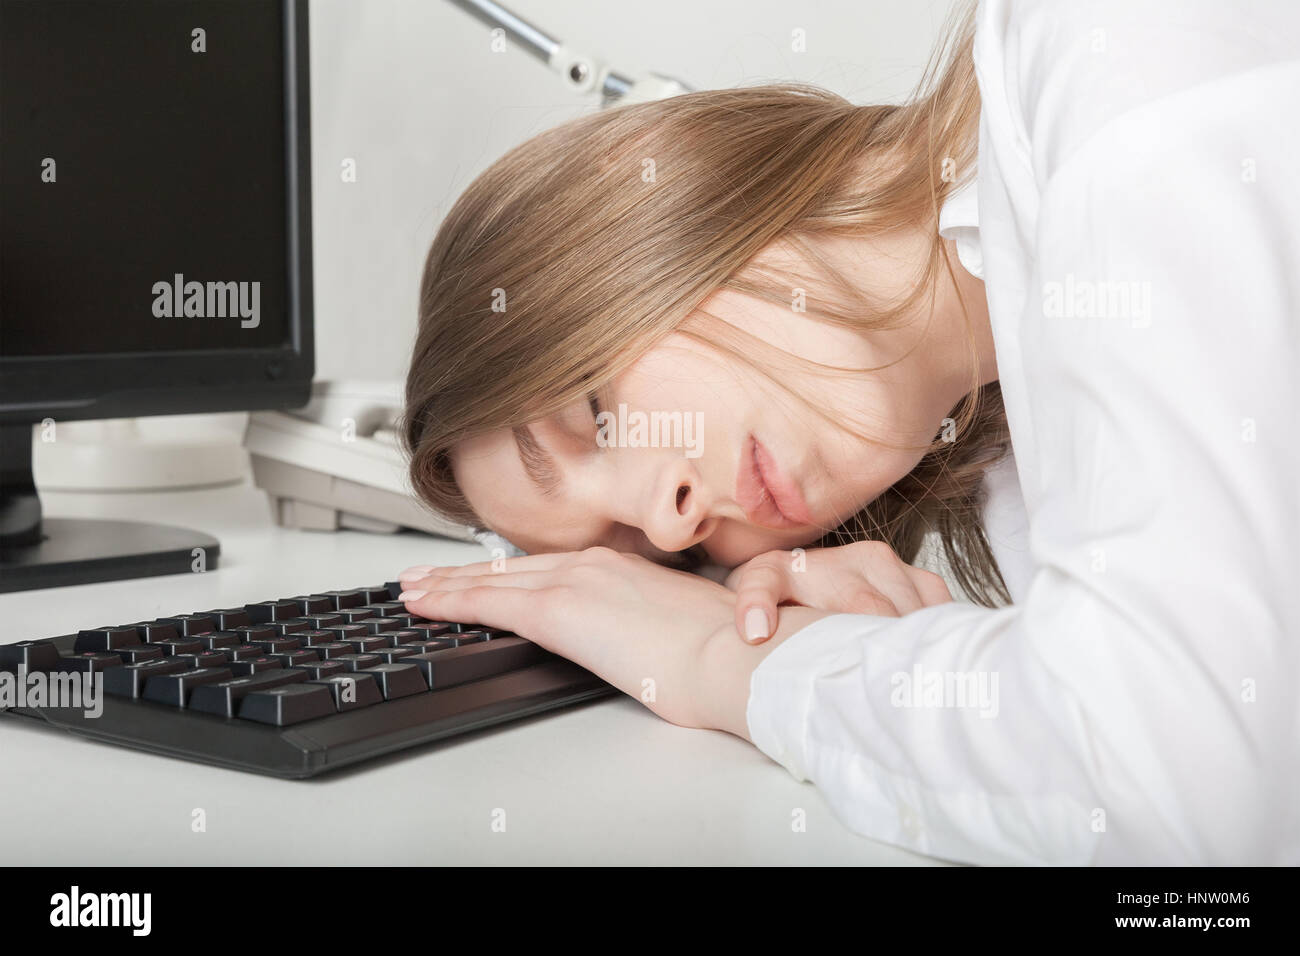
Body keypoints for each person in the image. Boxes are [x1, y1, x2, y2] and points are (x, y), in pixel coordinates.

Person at [396, 0, 1299, 864]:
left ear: (636, 188)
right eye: (656, 561)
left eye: (593, 414)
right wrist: (909, 649)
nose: (674, 526)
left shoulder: (1113, 52)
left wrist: (730, 662)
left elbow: (1184, 790)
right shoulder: (1020, 437)